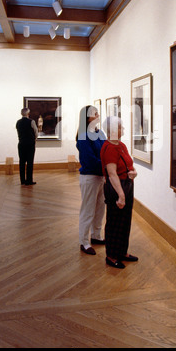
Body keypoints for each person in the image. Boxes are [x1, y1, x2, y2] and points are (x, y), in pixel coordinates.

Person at [100, 116, 138, 269]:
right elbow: (112, 173)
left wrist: (134, 172)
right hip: (116, 187)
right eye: (121, 127)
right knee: (115, 221)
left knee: (125, 220)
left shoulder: (121, 145)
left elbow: (128, 164)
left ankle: (122, 251)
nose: (124, 130)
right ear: (113, 130)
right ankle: (111, 255)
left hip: (127, 184)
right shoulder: (109, 148)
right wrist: (121, 194)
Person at [76, 105, 106, 255]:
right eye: (95, 114)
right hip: (90, 177)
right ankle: (84, 241)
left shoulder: (100, 133)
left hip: (101, 176)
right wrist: (107, 167)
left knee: (100, 208)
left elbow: (106, 151)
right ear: (87, 118)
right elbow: (89, 160)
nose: (98, 116)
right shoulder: (83, 135)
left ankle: (96, 236)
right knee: (88, 210)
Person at [16, 107, 38, 186]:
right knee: (30, 162)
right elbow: (36, 132)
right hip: (30, 144)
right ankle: (29, 180)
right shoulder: (31, 121)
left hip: (21, 144)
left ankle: (22, 180)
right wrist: (33, 139)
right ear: (28, 114)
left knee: (22, 162)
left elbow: (18, 132)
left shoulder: (18, 122)